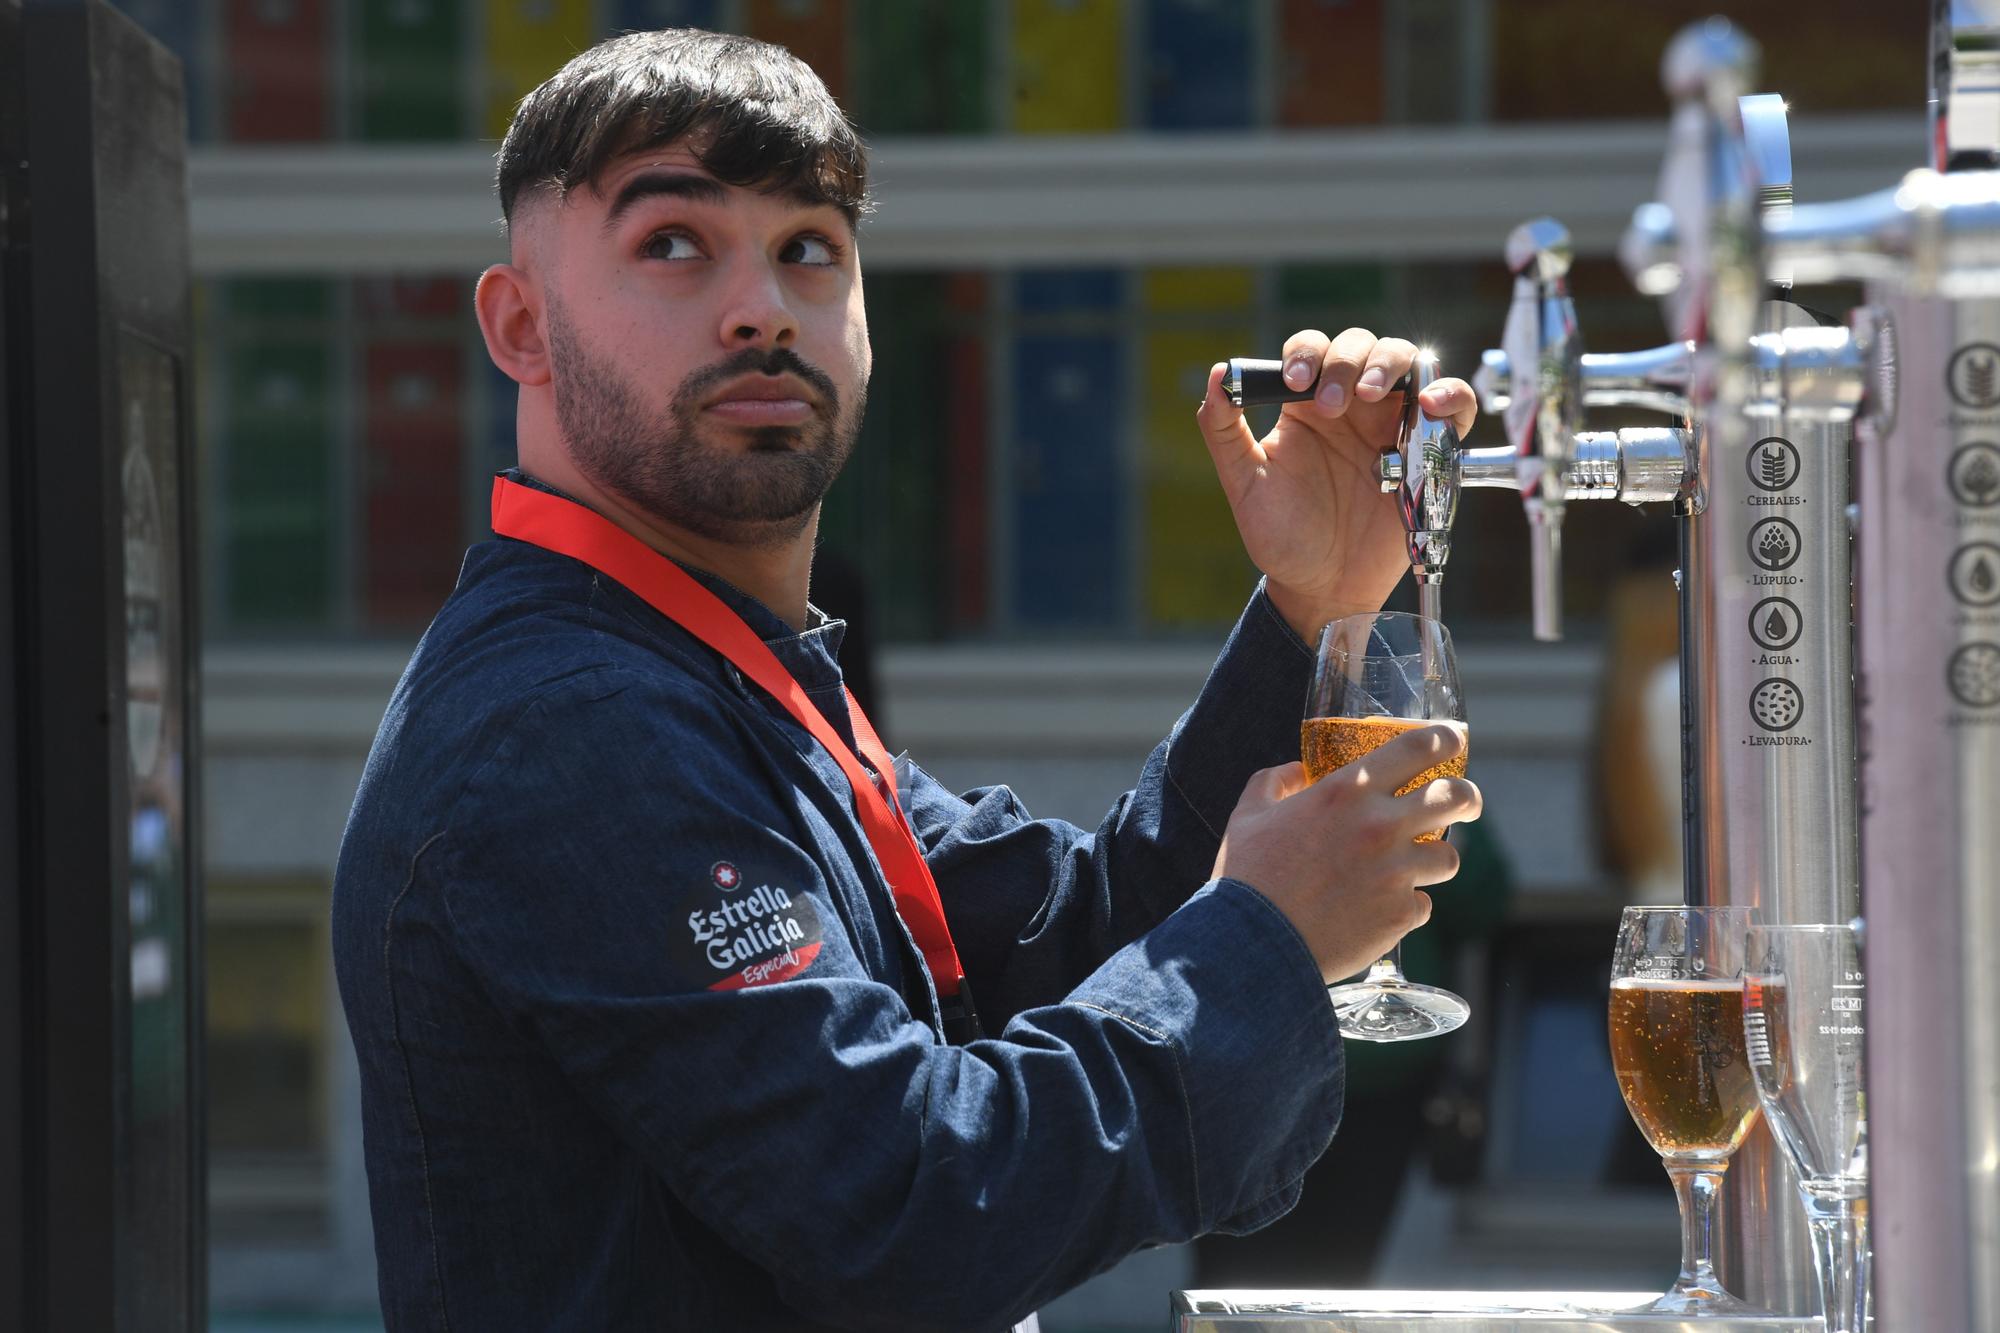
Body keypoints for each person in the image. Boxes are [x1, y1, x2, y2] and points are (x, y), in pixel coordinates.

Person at [331, 27, 1483, 1333]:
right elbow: (909, 1211)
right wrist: (1264, 938)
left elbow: (1067, 938)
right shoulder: (573, 726)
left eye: (808, 249)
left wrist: (1313, 608)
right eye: (673, 244)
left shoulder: (712, 664)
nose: (761, 305)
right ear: (521, 325)